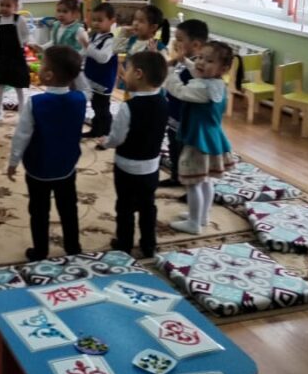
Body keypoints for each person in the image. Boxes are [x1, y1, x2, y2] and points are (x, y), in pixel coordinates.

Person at [7, 46, 86, 261]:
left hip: (38, 168)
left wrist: (13, 161)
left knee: (39, 211)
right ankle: (73, 246)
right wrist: (75, 74)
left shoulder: (35, 103)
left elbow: (21, 135)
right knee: (68, 208)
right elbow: (84, 86)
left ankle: (40, 251)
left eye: (42, 64)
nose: (39, 67)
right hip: (67, 166)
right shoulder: (80, 98)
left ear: (49, 75)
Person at [164, 40, 238, 235]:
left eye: (209, 60)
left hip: (198, 141)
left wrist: (169, 71)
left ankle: (194, 223)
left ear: (223, 68)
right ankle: (202, 216)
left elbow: (179, 91)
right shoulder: (216, 83)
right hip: (211, 138)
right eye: (200, 57)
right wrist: (185, 61)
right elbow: (197, 72)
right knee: (205, 181)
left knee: (193, 182)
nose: (201, 63)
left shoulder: (203, 88)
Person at [101, 51, 169, 258]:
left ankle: (124, 244)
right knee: (148, 206)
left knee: (125, 206)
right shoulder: (164, 102)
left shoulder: (128, 107)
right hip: (151, 167)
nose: (124, 74)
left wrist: (106, 142)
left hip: (127, 167)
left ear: (138, 74)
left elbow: (117, 137)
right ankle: (149, 244)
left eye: (127, 70)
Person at [162, 18, 209, 187]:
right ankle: (176, 177)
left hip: (186, 121)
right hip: (174, 117)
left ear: (196, 45)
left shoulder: (198, 68)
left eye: (180, 39)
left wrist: (170, 70)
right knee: (174, 148)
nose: (175, 43)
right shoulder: (184, 61)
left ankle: (190, 185)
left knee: (185, 154)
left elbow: (178, 89)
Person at [0, 0, 31, 125]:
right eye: (2, 5)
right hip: (3, 59)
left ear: (15, 6)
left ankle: (22, 113)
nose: (4, 8)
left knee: (19, 87)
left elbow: (26, 35)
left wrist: (26, 43)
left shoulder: (19, 20)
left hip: (17, 58)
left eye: (8, 5)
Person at [82, 2, 118, 140]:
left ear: (112, 21)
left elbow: (103, 58)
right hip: (93, 78)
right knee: (95, 106)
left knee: (103, 108)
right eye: (94, 20)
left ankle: (106, 134)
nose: (96, 23)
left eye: (100, 20)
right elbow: (88, 53)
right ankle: (96, 130)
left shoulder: (111, 40)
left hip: (103, 80)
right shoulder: (95, 36)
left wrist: (87, 46)